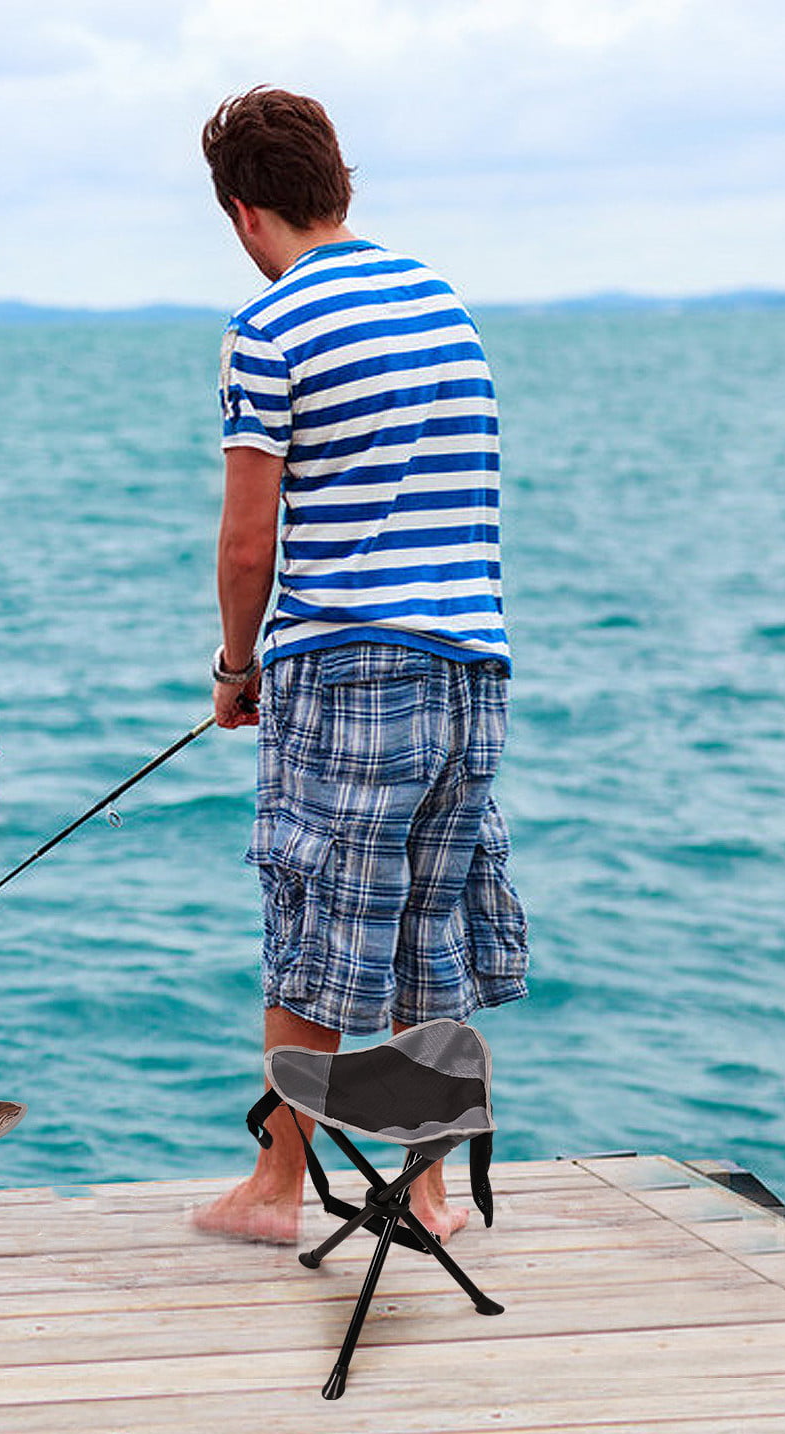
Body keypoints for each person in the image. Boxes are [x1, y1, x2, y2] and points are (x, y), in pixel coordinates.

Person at [192, 88, 528, 1246]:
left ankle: (279, 1192)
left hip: (348, 670)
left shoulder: (270, 327)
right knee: (424, 927)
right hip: (470, 667)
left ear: (246, 213)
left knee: (311, 919)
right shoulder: (443, 303)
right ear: (340, 183)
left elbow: (249, 543)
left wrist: (236, 668)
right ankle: (424, 1191)